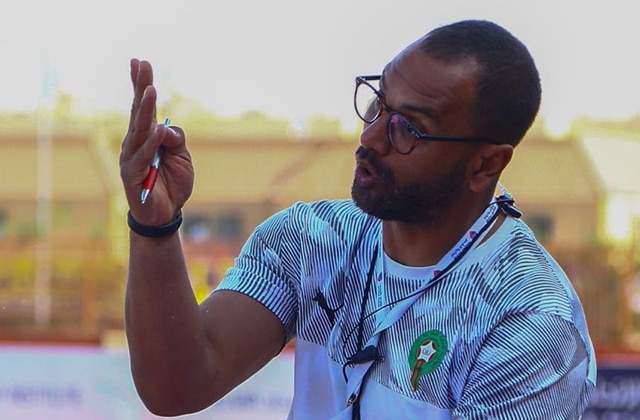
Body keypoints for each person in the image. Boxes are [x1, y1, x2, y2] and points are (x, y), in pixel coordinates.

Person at [119, 19, 596, 419]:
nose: (371, 137)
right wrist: (155, 227)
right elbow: (178, 386)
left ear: (486, 165)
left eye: (409, 129)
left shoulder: (531, 322)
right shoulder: (312, 239)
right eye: (378, 103)